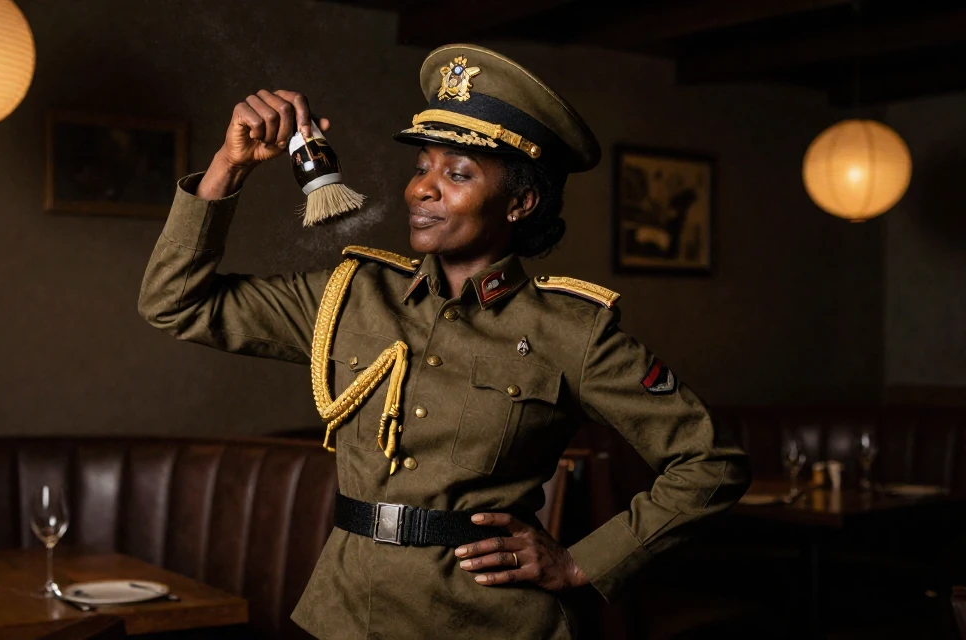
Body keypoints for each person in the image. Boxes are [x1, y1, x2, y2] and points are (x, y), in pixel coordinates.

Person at [139, 43, 750, 639]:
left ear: (521, 202)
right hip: (345, 616)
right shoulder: (349, 294)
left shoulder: (572, 333)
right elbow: (175, 304)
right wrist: (230, 165)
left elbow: (710, 462)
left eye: (457, 174)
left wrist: (583, 563)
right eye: (421, 167)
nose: (421, 190)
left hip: (491, 623)